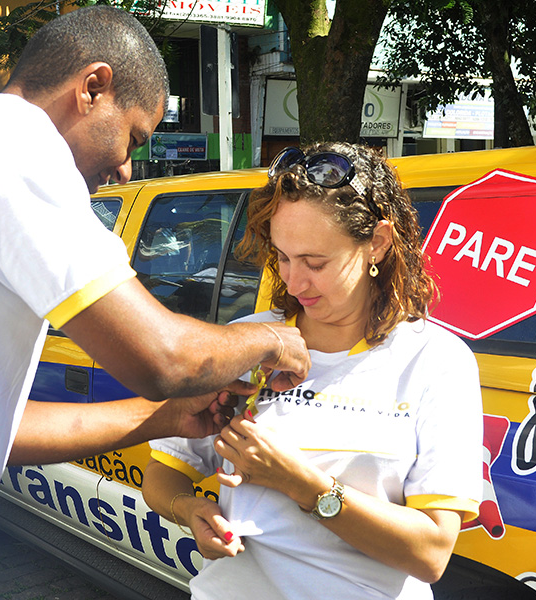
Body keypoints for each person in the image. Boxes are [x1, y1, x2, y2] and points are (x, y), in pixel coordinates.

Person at [0, 7, 309, 598]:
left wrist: (168, 419)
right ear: (92, 87)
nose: (126, 166)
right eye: (133, 136)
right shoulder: (3, 136)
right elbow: (163, 358)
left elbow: (0, 430)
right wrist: (273, 337)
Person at [143, 143, 484, 600]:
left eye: (315, 263)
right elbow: (163, 474)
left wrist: (301, 484)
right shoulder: (247, 340)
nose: (292, 281)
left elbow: (432, 552)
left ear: (377, 243)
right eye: (282, 257)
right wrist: (190, 509)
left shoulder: (436, 359)